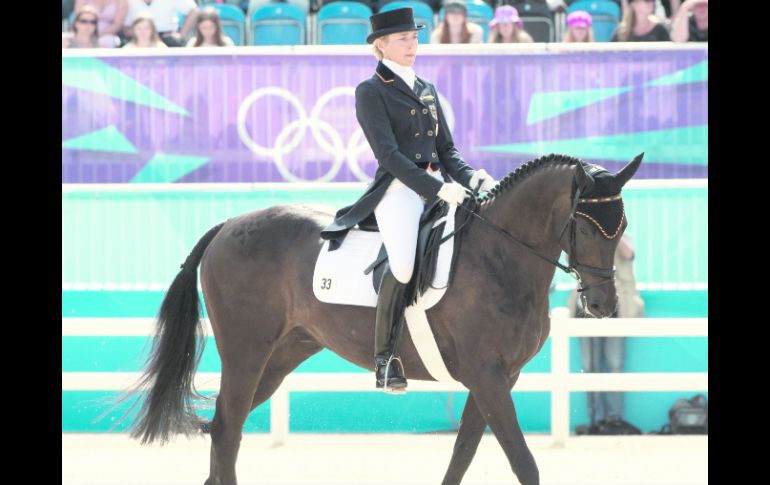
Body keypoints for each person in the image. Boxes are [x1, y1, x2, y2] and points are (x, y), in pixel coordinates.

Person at [320, 7, 497, 392]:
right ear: (381, 45)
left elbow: (447, 151)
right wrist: (435, 189)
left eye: (414, 38)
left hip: (441, 189)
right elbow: (390, 156)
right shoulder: (371, 90)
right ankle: (385, 359)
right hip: (399, 190)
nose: (412, 44)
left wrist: (471, 177)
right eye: (403, 39)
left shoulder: (427, 89)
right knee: (401, 267)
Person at [569, 234, 644, 434]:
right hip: (587, 305)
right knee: (589, 366)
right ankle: (596, 418)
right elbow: (572, 260)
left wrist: (614, 233)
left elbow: (628, 254)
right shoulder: (586, 238)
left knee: (615, 365)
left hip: (617, 308)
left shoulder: (623, 237)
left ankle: (614, 418)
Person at [123, 0, 200, 47]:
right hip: (138, 40)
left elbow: (194, 10)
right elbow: (124, 26)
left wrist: (181, 34)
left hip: (167, 38)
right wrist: (140, 34)